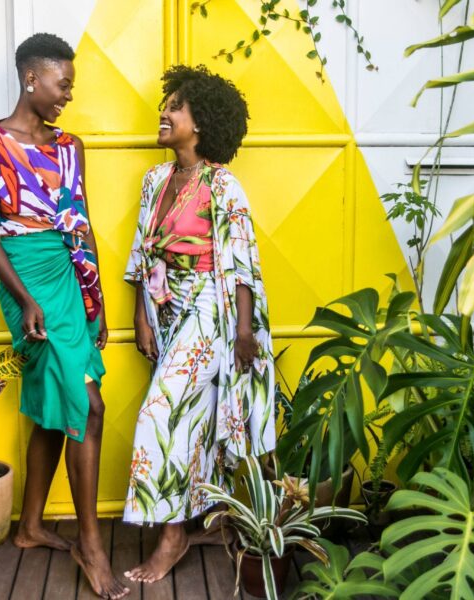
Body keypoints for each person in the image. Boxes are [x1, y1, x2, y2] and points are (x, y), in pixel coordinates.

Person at [0, 32, 129, 600]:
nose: (68, 96)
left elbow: (80, 224)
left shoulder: (70, 146)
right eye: (64, 85)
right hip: (23, 280)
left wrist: (96, 300)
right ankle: (90, 545)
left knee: (55, 405)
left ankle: (31, 527)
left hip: (66, 274)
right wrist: (26, 299)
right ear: (32, 78)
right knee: (88, 402)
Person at [122, 64, 276, 583]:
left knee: (159, 413)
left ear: (202, 123)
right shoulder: (155, 180)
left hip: (210, 308)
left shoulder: (224, 184)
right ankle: (205, 519)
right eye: (166, 104)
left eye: (177, 107)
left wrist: (243, 331)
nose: (164, 113)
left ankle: (171, 539)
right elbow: (142, 252)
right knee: (191, 420)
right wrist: (141, 316)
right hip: (164, 308)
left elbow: (242, 261)